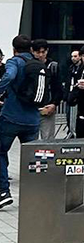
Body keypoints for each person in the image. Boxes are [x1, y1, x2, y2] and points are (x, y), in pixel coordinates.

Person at [0, 35, 42, 209]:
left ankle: (3, 191)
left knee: (1, 151)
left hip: (11, 116)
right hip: (33, 119)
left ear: (13, 49)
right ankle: (36, 193)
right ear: (31, 49)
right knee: (33, 156)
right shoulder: (37, 63)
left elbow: (9, 76)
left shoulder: (14, 62)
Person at [31, 39, 63, 141]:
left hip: (48, 106)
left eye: (43, 52)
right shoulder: (29, 65)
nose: (41, 55)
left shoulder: (52, 66)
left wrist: (54, 103)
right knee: (31, 140)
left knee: (48, 140)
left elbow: (58, 87)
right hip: (31, 107)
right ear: (32, 51)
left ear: (47, 51)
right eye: (38, 52)